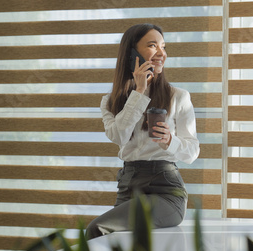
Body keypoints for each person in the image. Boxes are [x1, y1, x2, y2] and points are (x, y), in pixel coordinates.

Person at [85, 23, 200, 240]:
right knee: (118, 249)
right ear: (132, 53)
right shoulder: (110, 102)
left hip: (165, 191)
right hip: (128, 187)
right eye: (152, 46)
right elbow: (119, 136)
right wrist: (139, 91)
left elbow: (192, 152)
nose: (161, 53)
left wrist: (170, 141)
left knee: (97, 229)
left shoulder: (178, 97)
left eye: (163, 47)